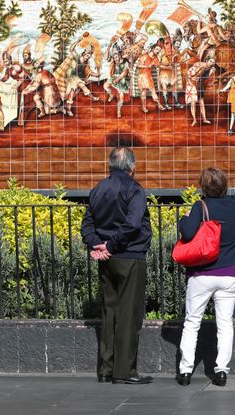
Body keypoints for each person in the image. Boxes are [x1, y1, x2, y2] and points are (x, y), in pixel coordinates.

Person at [81, 147, 153, 385]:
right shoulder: (134, 189)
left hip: (107, 260)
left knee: (109, 312)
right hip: (129, 256)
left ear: (110, 165)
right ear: (132, 167)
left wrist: (98, 245)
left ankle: (106, 369)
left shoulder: (98, 189)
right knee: (129, 315)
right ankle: (125, 371)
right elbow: (133, 224)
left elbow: (87, 225)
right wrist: (111, 245)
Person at [176, 168, 235, 387]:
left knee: (192, 322)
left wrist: (183, 219)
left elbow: (187, 233)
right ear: (224, 186)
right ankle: (222, 371)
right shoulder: (234, 205)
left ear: (204, 187)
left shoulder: (200, 206)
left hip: (202, 274)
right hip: (229, 273)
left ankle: (186, 371)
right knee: (225, 324)